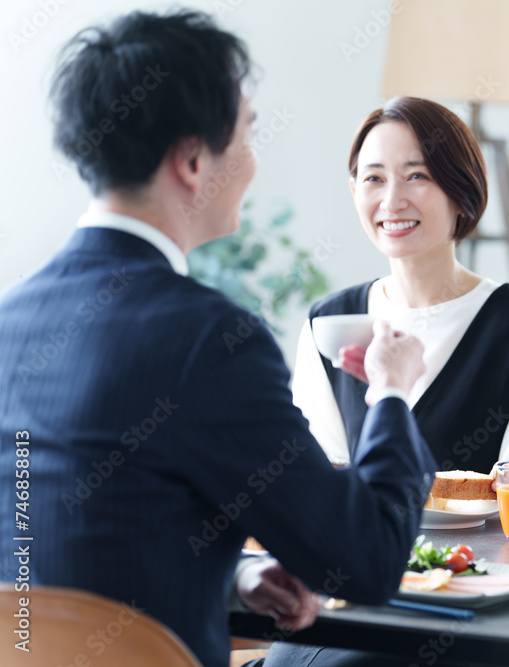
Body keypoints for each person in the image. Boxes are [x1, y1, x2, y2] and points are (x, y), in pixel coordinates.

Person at [0, 12, 437, 667]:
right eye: (248, 134)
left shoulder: (13, 318)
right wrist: (392, 391)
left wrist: (227, 573)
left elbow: (48, 537)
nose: (254, 161)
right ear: (194, 158)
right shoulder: (210, 339)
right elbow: (364, 559)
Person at [291, 97, 509, 515]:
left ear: (461, 190)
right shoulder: (327, 325)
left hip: (486, 574)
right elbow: (310, 486)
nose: (392, 200)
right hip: (360, 572)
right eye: (374, 179)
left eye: (416, 175)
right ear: (354, 191)